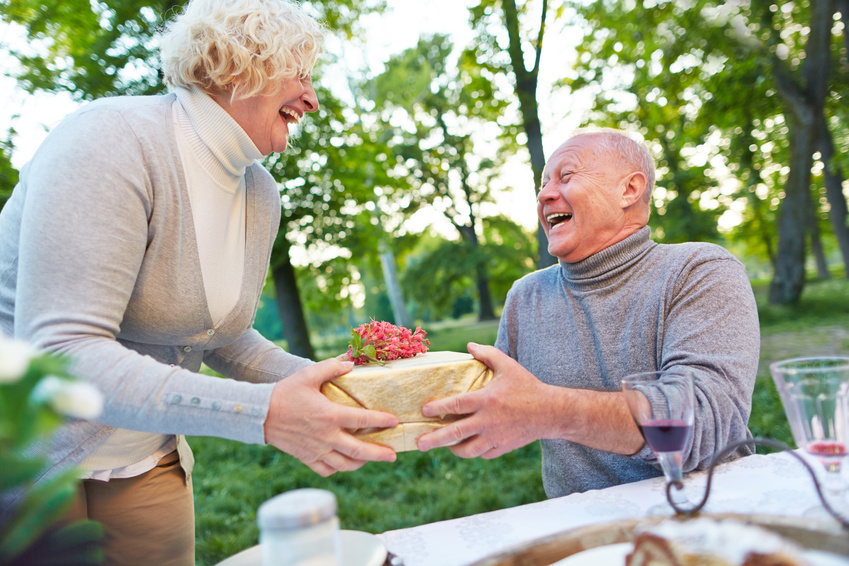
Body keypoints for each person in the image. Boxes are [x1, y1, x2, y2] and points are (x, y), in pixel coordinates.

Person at [0, 0, 398, 563]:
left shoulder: (260, 194)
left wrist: (339, 392)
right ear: (238, 66)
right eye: (301, 74)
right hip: (28, 454)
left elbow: (221, 336)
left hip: (146, 456)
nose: (313, 98)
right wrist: (262, 414)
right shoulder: (109, 140)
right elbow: (66, 354)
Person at [416, 129, 760, 498]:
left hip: (709, 515)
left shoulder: (699, 270)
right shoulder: (525, 296)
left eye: (566, 177)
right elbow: (485, 402)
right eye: (543, 184)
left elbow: (706, 421)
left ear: (629, 189)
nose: (545, 194)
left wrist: (550, 411)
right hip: (585, 533)